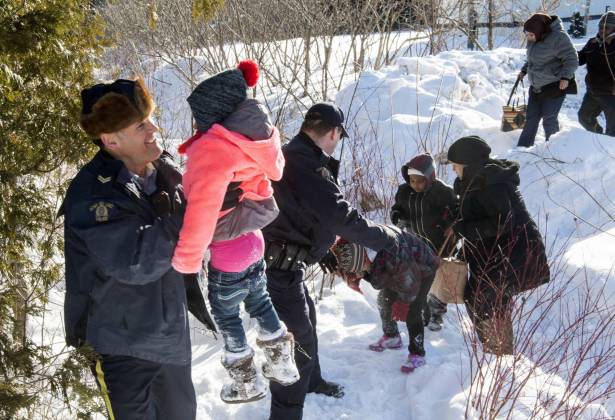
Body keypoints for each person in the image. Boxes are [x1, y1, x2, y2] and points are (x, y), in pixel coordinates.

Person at [61, 77, 231, 419]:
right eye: (141, 125)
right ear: (111, 139)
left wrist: (230, 192)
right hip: (122, 349)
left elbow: (194, 235)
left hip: (170, 341)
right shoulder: (93, 194)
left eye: (150, 119)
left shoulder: (166, 173)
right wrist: (196, 209)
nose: (154, 128)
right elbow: (137, 262)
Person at [171, 60, 299, 404]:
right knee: (259, 300)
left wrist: (186, 263)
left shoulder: (212, 148)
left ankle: (245, 381)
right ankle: (282, 362)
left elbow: (202, 210)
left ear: (213, 114)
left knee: (227, 313)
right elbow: (275, 174)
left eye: (198, 116)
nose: (195, 124)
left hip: (227, 247)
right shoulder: (256, 137)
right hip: (255, 240)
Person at [262, 102, 398, 420]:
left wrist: (321, 252)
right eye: (339, 135)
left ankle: (312, 383)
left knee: (306, 322)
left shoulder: (297, 155)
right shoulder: (303, 162)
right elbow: (338, 215)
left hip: (287, 265)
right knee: (296, 347)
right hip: (277, 269)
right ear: (334, 132)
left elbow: (300, 211)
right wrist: (387, 238)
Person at [446, 136, 550, 355]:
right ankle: (496, 351)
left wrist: (462, 229)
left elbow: (502, 223)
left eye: (455, 164)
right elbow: (479, 216)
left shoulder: (490, 184)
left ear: (467, 163)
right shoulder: (475, 182)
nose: (453, 168)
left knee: (484, 298)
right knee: (482, 298)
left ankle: (499, 353)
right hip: (495, 253)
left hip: (515, 252)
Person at [332, 227, 440, 373]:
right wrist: (360, 274)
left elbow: (409, 283)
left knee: (412, 312)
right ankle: (392, 337)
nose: (358, 273)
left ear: (365, 258)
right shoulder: (362, 247)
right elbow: (379, 277)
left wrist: (402, 303)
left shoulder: (393, 255)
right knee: (384, 301)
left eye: (360, 269)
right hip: (401, 270)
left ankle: (417, 353)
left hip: (423, 270)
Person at [390, 153, 458, 331]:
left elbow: (456, 210)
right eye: (412, 181)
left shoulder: (442, 192)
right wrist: (397, 216)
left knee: (439, 279)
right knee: (421, 278)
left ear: (430, 177)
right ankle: (423, 310)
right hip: (416, 243)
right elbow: (397, 207)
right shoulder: (404, 192)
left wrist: (448, 221)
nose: (415, 185)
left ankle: (436, 313)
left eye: (420, 181)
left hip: (439, 243)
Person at [516, 13, 578, 148]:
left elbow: (572, 59)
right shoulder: (534, 37)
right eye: (526, 34)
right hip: (536, 86)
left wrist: (566, 77)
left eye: (530, 35)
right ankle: (521, 149)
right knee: (531, 119)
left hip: (554, 86)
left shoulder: (558, 38)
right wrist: (524, 70)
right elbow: (533, 59)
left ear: (540, 30)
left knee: (549, 120)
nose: (528, 38)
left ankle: (554, 150)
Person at [577, 11, 615, 136]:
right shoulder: (592, 43)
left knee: (613, 130)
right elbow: (580, 59)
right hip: (593, 91)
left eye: (607, 27)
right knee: (584, 118)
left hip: (611, 93)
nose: (602, 30)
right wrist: (566, 55)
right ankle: (598, 137)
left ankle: (610, 153)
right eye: (600, 27)